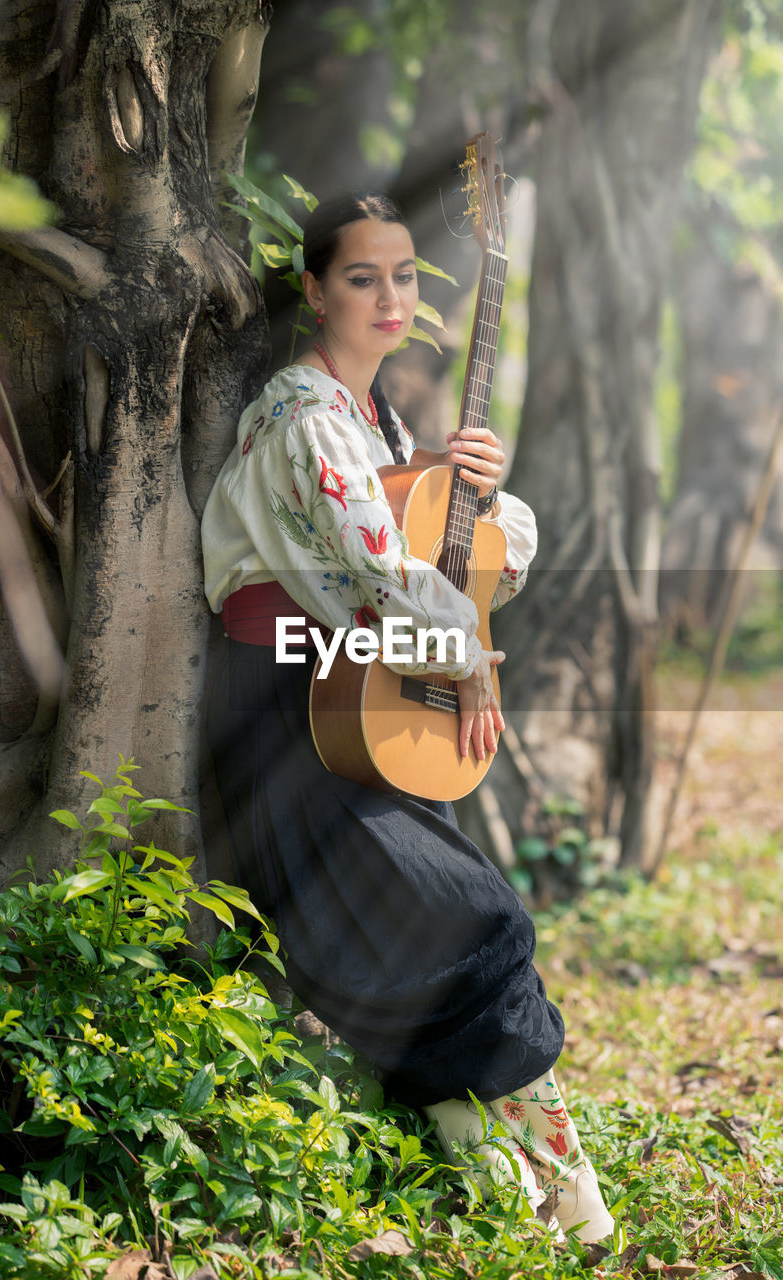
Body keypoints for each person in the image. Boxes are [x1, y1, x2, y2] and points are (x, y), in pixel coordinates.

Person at [201, 192, 620, 1245]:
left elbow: (454, 557)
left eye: (404, 276)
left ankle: (548, 1207)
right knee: (468, 917)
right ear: (313, 289)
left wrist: (472, 490)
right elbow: (372, 567)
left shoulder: (380, 424)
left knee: (455, 929)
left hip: (354, 696)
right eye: (359, 276)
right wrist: (464, 657)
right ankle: (538, 1205)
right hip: (283, 709)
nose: (389, 296)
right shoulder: (304, 414)